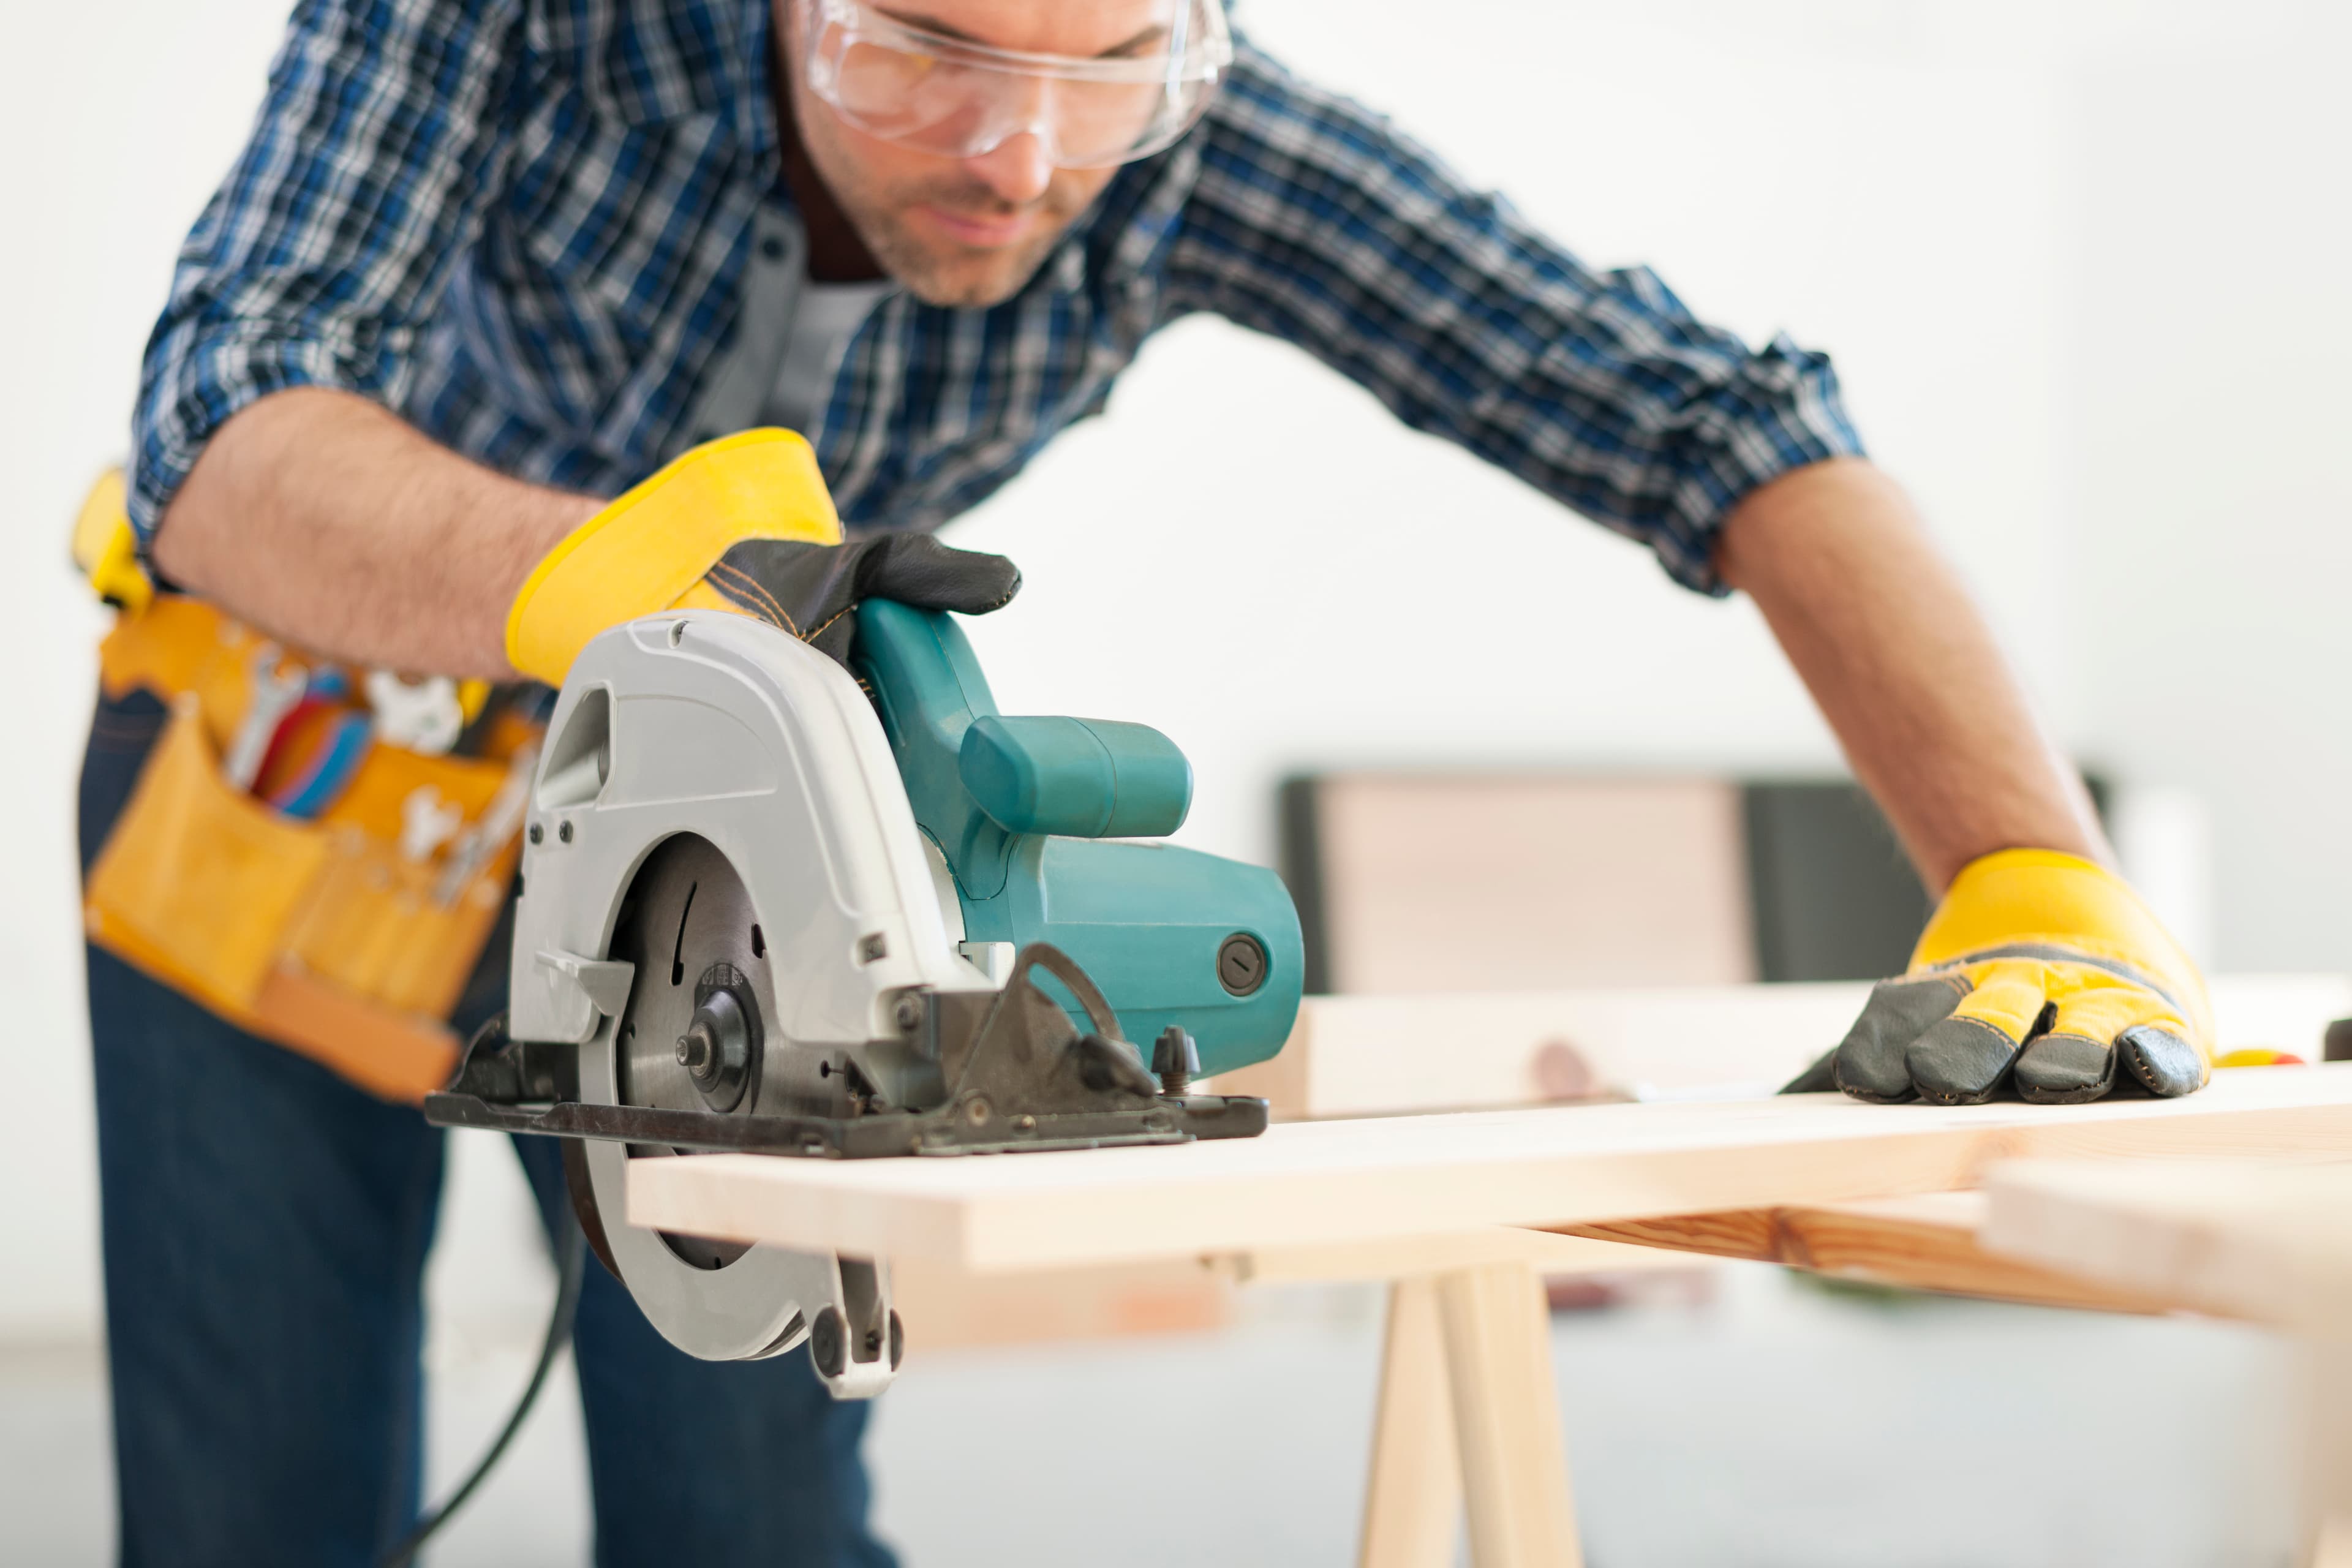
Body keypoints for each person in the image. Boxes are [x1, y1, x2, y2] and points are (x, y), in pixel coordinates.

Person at [91, 0, 2214, 1561]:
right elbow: (219, 414)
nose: (1018, 156)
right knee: (253, 1502)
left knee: (753, 1510)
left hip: (724, 859)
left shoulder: (1201, 142)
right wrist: (581, 571)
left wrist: (2031, 870)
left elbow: (1719, 424)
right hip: (285, 777)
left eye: (1107, 70)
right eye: (923, 50)